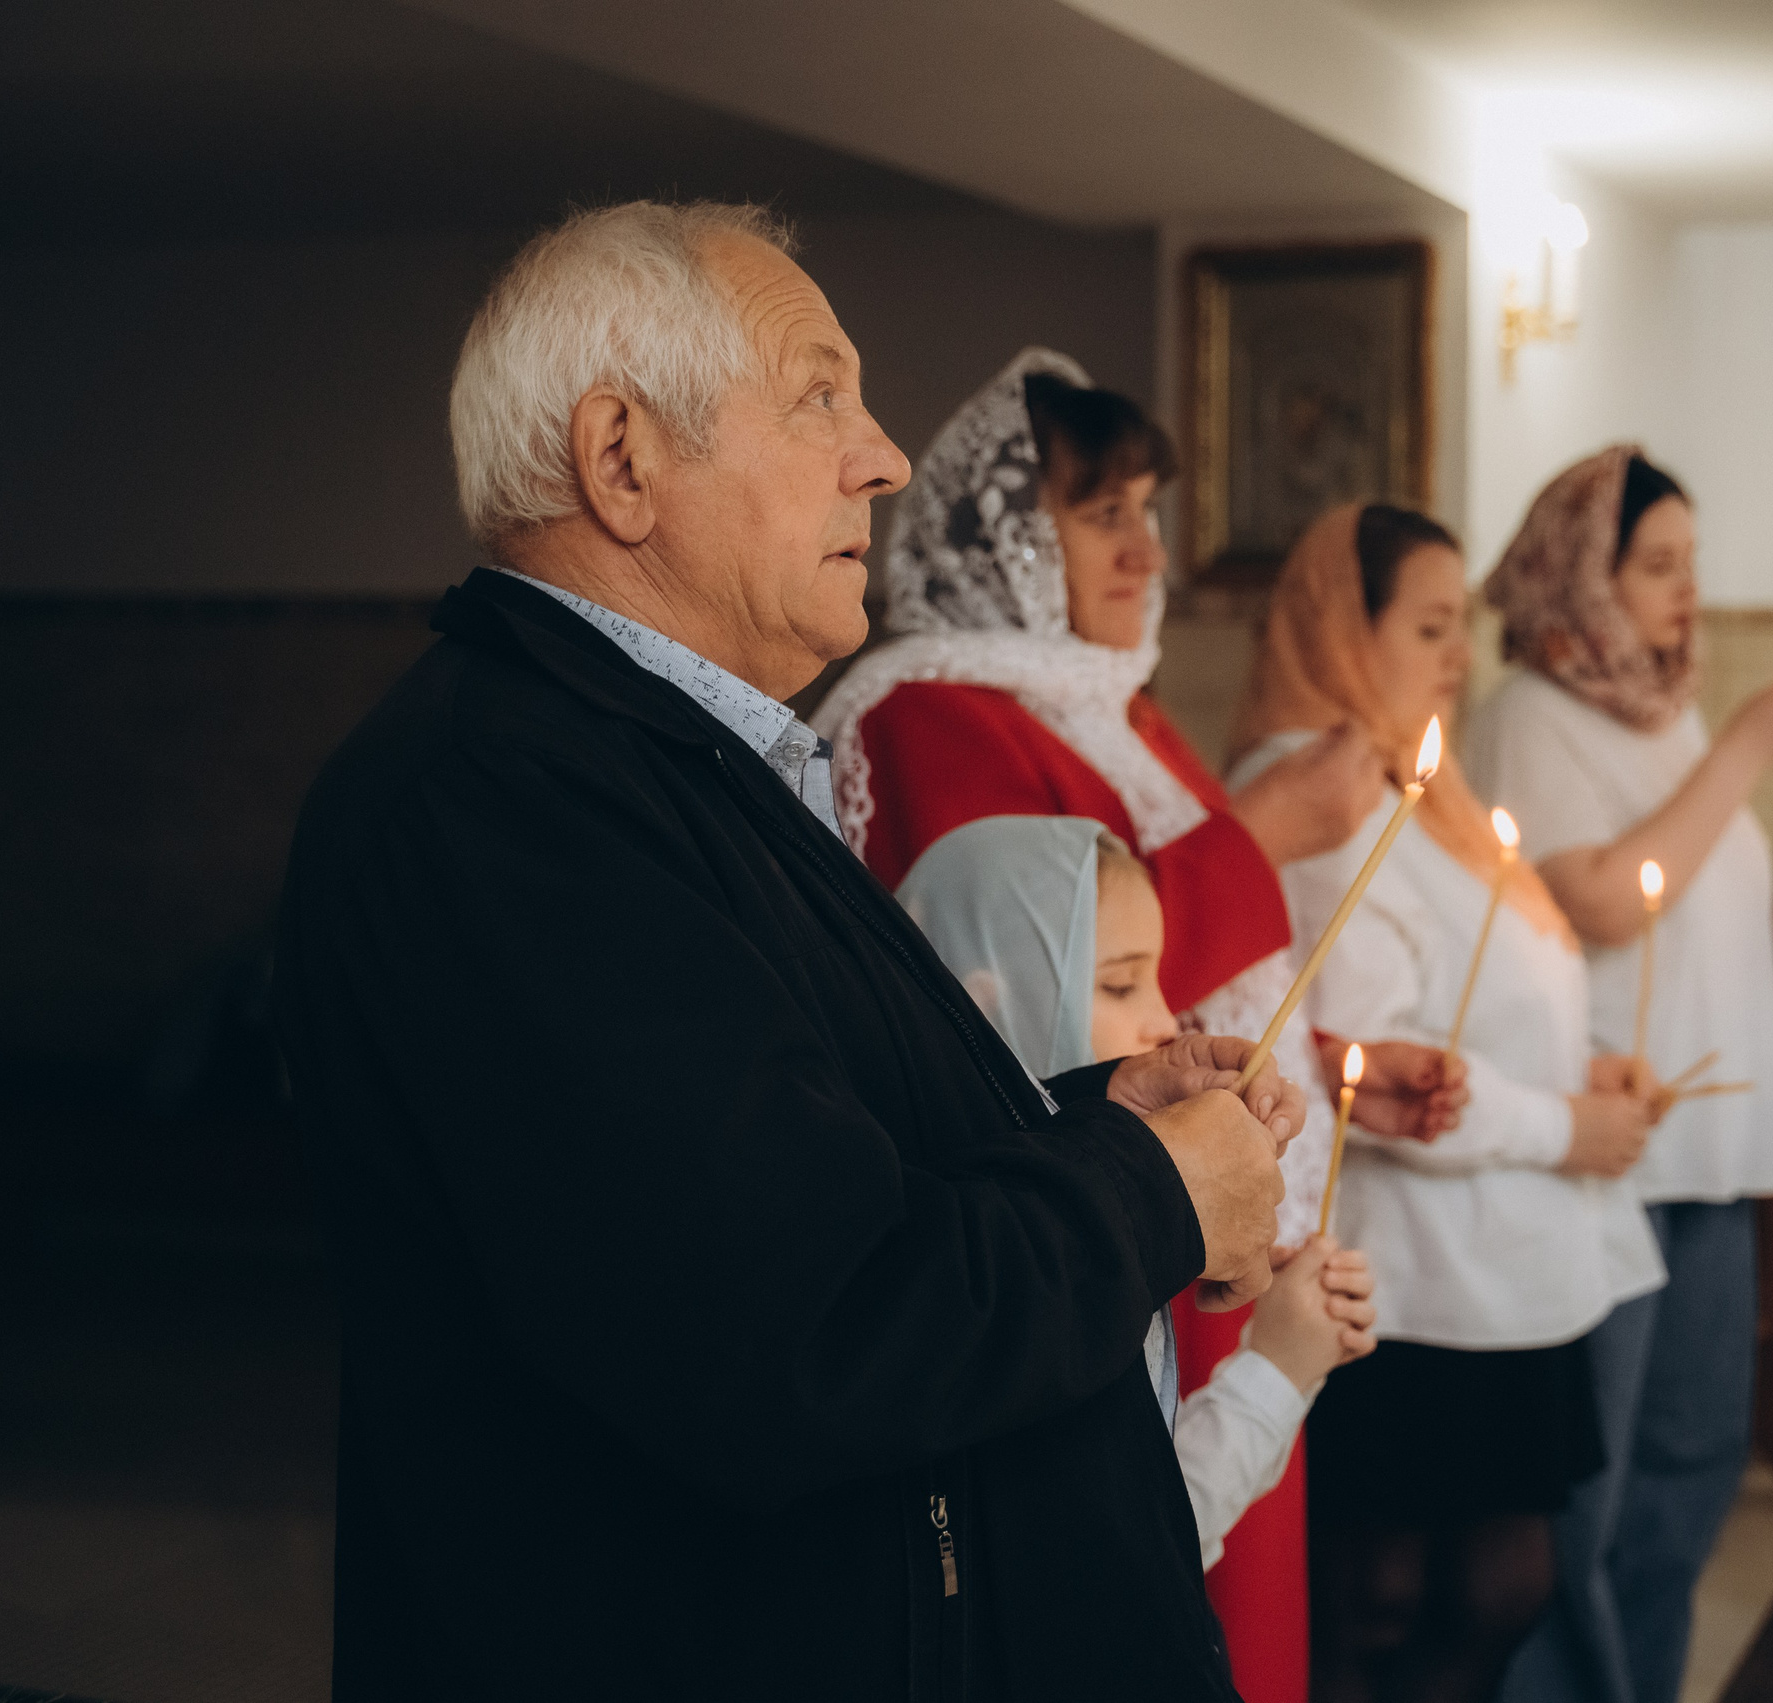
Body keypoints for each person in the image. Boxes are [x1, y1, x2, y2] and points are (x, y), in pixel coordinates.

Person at [273, 201, 1307, 1701]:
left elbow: (822, 1162)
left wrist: (1097, 1117)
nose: (880, 454)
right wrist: (1145, 1197)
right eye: (820, 392)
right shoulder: (503, 802)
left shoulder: (665, 762)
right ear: (623, 461)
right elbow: (802, 1326)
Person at [815, 350, 1466, 1703]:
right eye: (1101, 510)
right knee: (1154, 1599)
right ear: (1008, 528)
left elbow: (1194, 987)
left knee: (1237, 1568)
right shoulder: (928, 707)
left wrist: (1341, 1071)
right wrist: (1268, 831)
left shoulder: (1112, 703)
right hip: (1107, 1220)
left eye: (1149, 509)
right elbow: (1031, 990)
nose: (1143, 546)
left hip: (1210, 1209)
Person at [1229, 502, 1668, 1703]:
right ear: (1341, 629)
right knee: (1388, 1598)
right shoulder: (1316, 792)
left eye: (1458, 625)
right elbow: (1374, 1067)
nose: (1458, 654)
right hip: (1412, 1278)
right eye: (1428, 624)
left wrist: (1581, 1072)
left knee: (1486, 1590)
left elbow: (1482, 1009)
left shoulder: (1415, 777)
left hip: (1495, 1267)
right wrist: (1568, 1125)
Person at [1468, 447, 1773, 1703]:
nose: (1684, 589)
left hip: (1713, 1139)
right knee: (1590, 1486)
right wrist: (1748, 747)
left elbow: (1678, 883)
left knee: (1692, 1461)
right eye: (1656, 564)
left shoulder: (1662, 707)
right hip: (1612, 1143)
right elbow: (1590, 902)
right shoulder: (1526, 716)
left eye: (1691, 563)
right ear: (1580, 573)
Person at [900, 814, 1380, 1571]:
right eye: (1120, 982)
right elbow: (1126, 1549)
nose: (1164, 1018)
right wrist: (1276, 1370)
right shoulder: (1020, 1256)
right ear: (984, 1004)